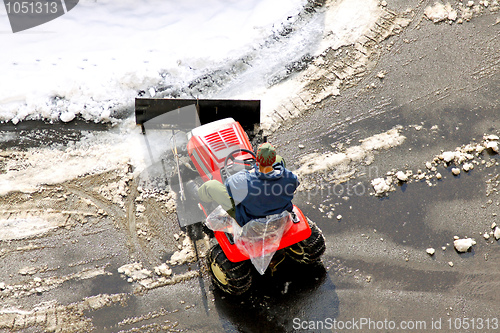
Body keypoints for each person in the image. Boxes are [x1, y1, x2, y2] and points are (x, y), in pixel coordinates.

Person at [198, 143, 299, 226]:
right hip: (280, 215)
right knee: (279, 159)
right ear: (272, 161)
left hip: (251, 220)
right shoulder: (289, 177)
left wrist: (250, 171)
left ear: (257, 160)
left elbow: (228, 184)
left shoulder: (243, 181)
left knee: (211, 186)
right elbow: (295, 183)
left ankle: (198, 196)